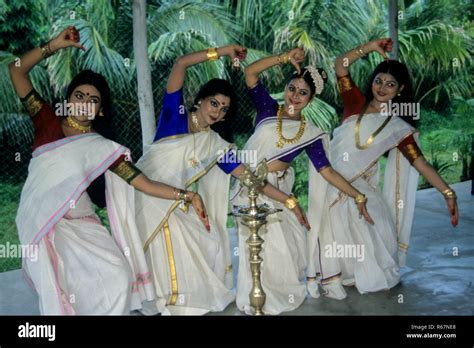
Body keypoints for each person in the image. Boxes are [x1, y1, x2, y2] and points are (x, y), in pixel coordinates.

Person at [10, 26, 209, 315]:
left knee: (117, 275)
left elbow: (144, 184)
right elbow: (15, 71)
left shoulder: (104, 149)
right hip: (47, 224)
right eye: (80, 96)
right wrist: (53, 45)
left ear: (100, 111)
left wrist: (187, 195)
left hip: (84, 222)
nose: (85, 103)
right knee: (61, 284)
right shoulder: (47, 121)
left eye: (93, 100)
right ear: (68, 101)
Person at [129, 46, 308, 315]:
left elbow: (250, 179)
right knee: (178, 231)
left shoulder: (215, 145)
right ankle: (164, 298)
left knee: (206, 239)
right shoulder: (173, 117)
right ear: (199, 100)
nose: (217, 111)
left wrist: (289, 200)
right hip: (147, 195)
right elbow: (180, 63)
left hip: (178, 201)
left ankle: (177, 296)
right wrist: (223, 52)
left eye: (224, 109)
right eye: (214, 103)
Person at [231, 47, 374, 315]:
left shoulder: (310, 133)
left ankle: (280, 293)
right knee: (262, 245)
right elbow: (250, 73)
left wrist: (358, 195)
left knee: (295, 242)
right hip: (252, 187)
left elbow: (327, 171)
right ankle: (256, 299)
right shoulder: (267, 109)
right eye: (291, 88)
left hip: (280, 186)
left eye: (302, 92)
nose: (294, 96)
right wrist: (282, 58)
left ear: (311, 99)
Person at [314, 38, 459, 295]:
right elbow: (340, 64)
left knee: (373, 217)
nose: (382, 88)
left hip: (359, 184)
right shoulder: (355, 102)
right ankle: (336, 273)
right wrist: (369, 48)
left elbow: (420, 162)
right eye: (378, 81)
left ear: (400, 89)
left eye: (390, 84)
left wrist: (448, 192)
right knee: (340, 209)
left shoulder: (398, 128)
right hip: (330, 179)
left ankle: (359, 270)